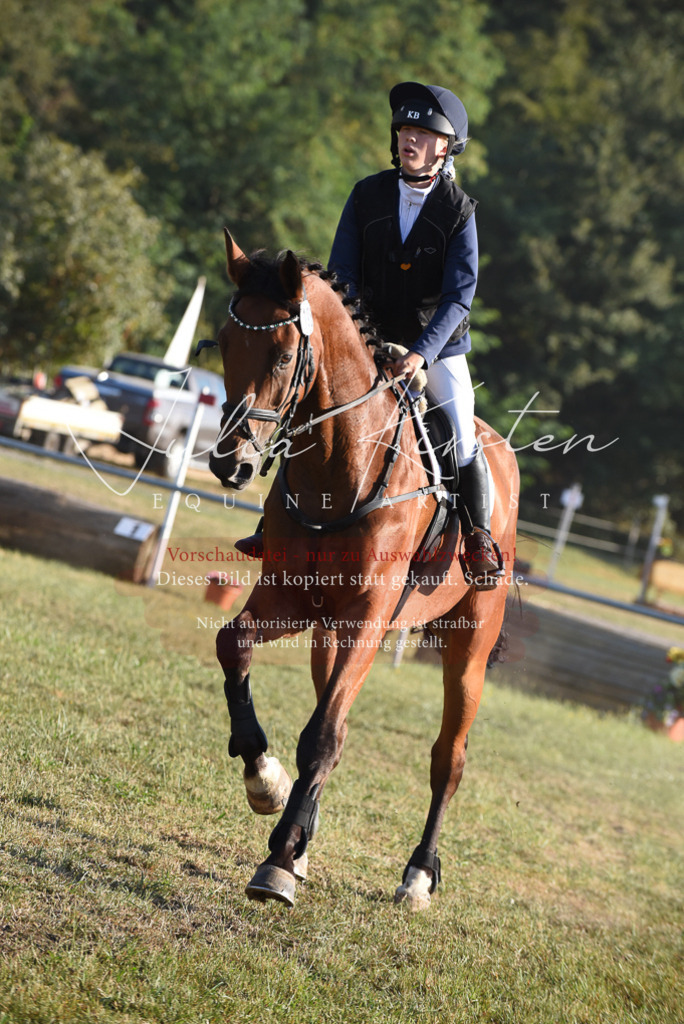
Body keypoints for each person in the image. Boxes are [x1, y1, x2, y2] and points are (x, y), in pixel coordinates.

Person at [327, 80, 502, 588]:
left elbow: (459, 298)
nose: (410, 139)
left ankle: (479, 537)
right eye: (405, 129)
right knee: (312, 403)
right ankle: (272, 521)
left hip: (437, 347)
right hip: (370, 335)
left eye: (423, 133)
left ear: (444, 148)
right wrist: (358, 334)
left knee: (463, 434)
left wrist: (421, 356)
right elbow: (343, 273)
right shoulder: (366, 194)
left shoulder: (459, 210)